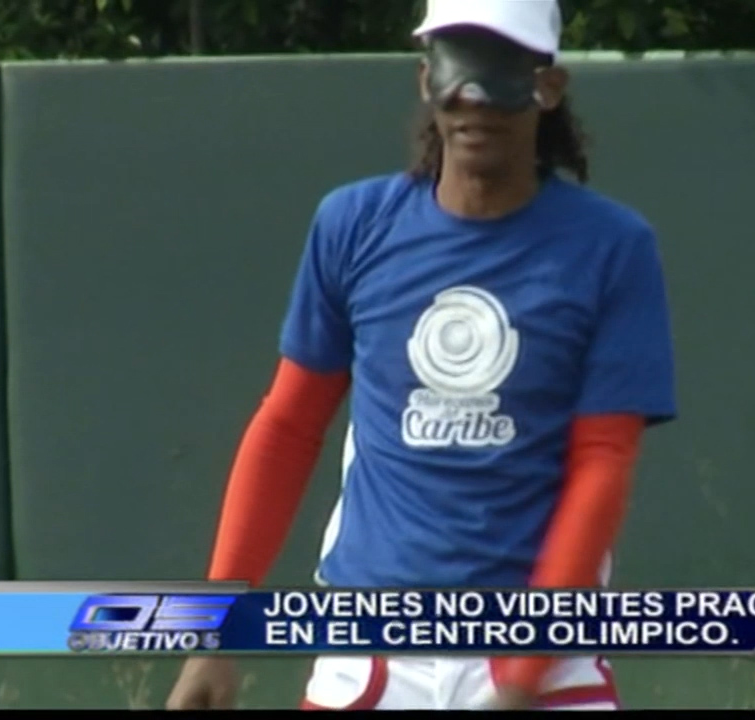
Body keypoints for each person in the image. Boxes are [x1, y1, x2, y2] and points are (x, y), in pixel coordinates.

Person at [165, 0, 676, 711]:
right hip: (370, 650)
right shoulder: (353, 225)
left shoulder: (611, 248)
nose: (472, 97)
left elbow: (603, 459)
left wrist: (525, 672)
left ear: (547, 87)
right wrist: (214, 633)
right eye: (455, 67)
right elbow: (287, 427)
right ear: (425, 78)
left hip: (541, 653)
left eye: (499, 71)